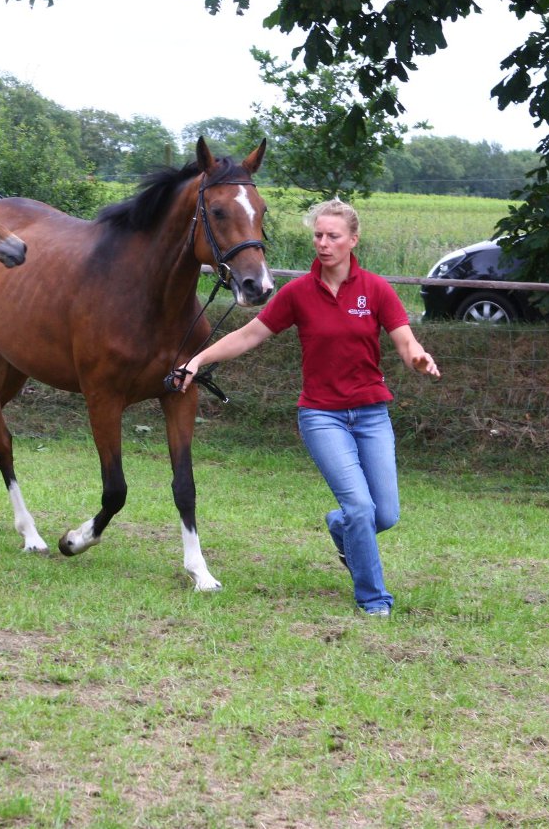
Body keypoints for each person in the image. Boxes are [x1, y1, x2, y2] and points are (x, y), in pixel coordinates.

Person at [175, 198, 440, 616]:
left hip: (372, 414)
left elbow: (405, 341)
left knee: (383, 514)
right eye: (318, 235)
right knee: (360, 507)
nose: (323, 243)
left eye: (333, 236)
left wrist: (418, 358)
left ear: (353, 240)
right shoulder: (299, 292)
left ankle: (341, 528)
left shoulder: (376, 289)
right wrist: (198, 359)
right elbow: (249, 335)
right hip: (322, 416)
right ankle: (374, 599)